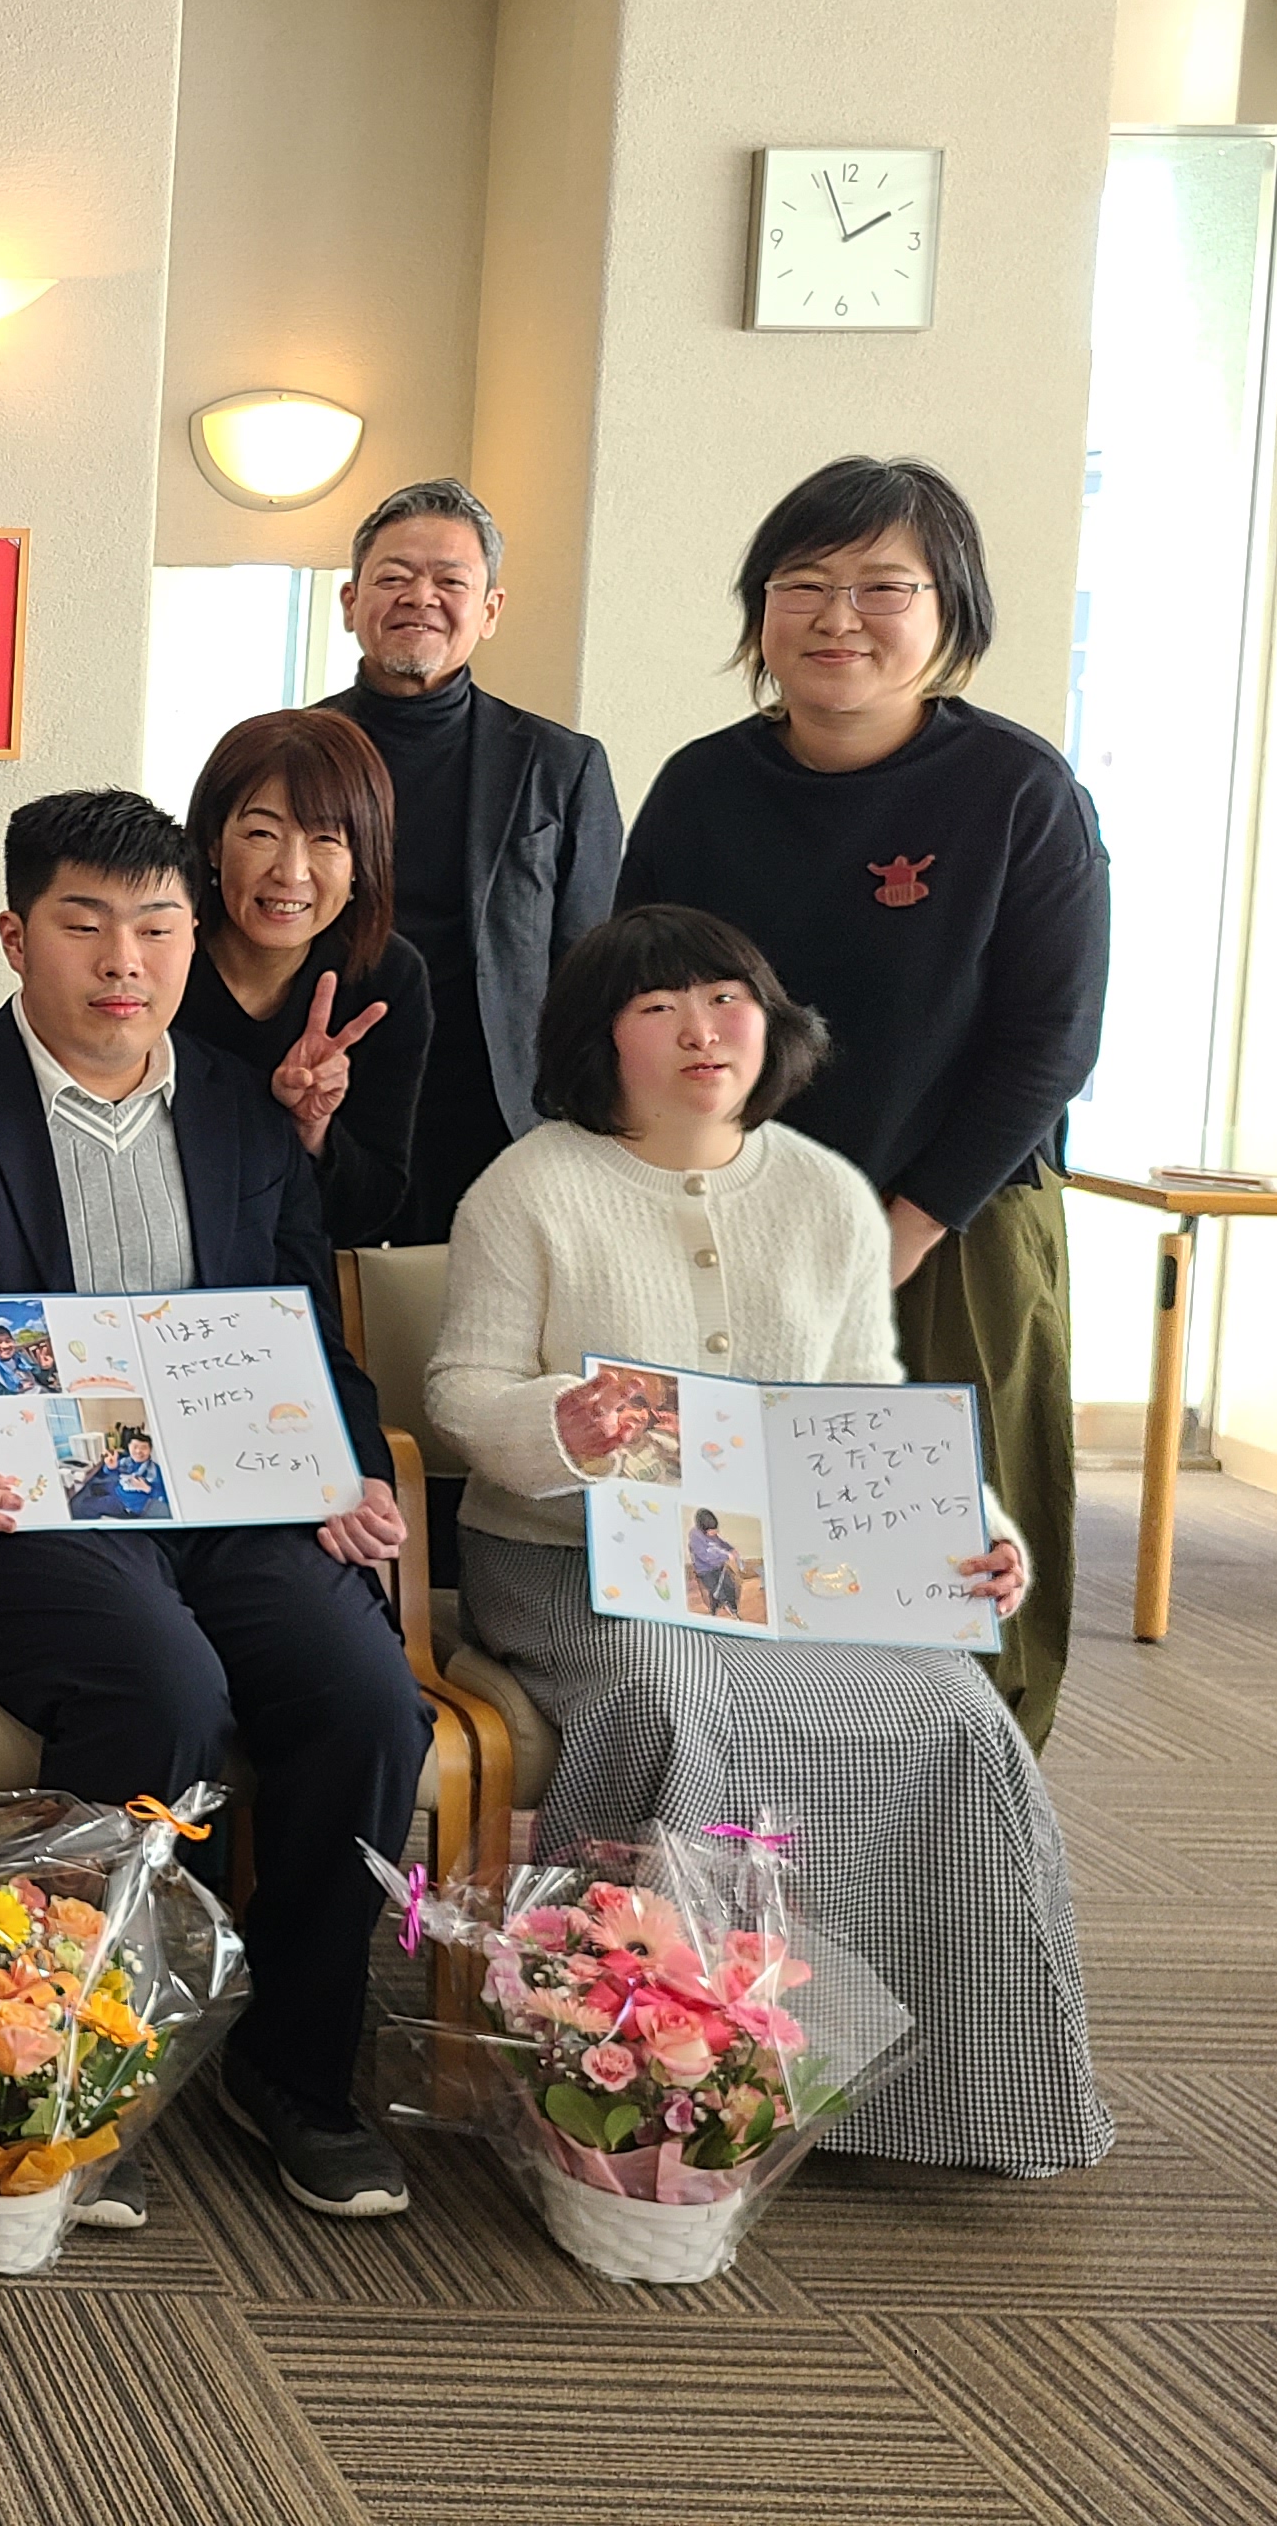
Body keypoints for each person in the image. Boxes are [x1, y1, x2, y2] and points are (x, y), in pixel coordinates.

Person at [424, 903, 1106, 2174]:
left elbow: (861, 1410)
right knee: (673, 1700)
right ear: (601, 1040)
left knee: (960, 1714)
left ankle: (940, 2091)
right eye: (658, 1008)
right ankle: (646, 2080)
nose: (702, 1030)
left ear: (770, 1022)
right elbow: (460, 1392)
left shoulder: (825, 1192)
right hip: (572, 1561)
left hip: (791, 1568)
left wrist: (969, 1533)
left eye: (725, 999)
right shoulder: (531, 1185)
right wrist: (559, 1421)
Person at [0, 788, 425, 2230]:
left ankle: (295, 2071)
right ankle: (72, 2064)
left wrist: (351, 1462)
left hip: (233, 1502)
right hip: (24, 1507)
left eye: (157, 928)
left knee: (364, 1701)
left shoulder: (244, 1109)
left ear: (191, 939)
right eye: (85, 924)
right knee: (164, 1694)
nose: (123, 961)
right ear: (14, 935)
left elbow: (303, 1325)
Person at [616, 458, 1107, 1747]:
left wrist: (898, 1231)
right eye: (804, 585)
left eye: (884, 587)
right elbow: (637, 1007)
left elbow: (1049, 1044)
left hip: (951, 1226)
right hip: (732, 1222)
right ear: (761, 611)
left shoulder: (1018, 793)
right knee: (738, 1550)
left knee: (949, 1567)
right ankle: (740, 1838)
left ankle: (972, 1821)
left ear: (951, 610)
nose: (839, 618)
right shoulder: (701, 787)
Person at [317, 479, 625, 1245]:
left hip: (499, 1115)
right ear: (351, 602)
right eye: (394, 576)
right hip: (325, 1101)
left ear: (489, 610)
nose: (420, 597)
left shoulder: (562, 766)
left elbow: (593, 968)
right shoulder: (284, 755)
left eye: (450, 581)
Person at [172, 708, 434, 1251]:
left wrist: (312, 1130)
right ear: (214, 844)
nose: (290, 872)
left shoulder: (386, 978)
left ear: (361, 859)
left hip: (292, 1275)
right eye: (262, 833)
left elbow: (370, 1210)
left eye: (326, 839)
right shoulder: (158, 955)